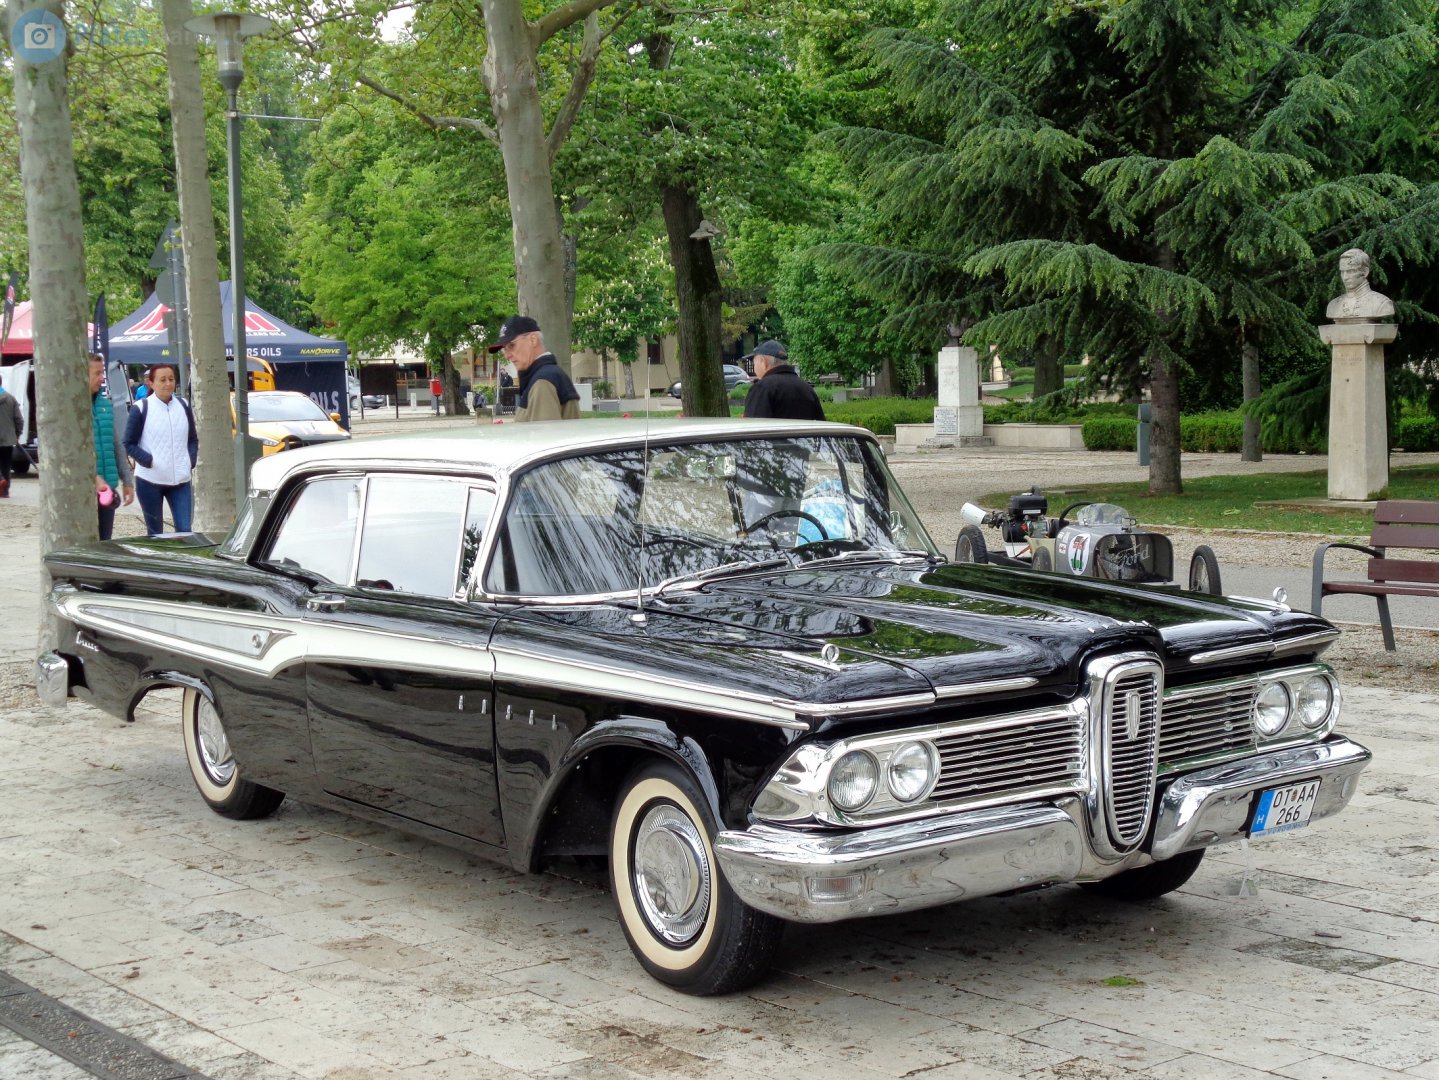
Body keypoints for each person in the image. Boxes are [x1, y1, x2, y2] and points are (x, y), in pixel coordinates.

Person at [123, 363, 198, 536]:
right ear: (151, 383)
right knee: (156, 533)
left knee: (185, 530)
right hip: (150, 480)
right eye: (162, 380)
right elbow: (128, 443)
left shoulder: (184, 405)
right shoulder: (141, 408)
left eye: (171, 379)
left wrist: (190, 460)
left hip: (180, 480)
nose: (167, 384)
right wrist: (147, 460)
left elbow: (192, 438)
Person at [487, 315, 580, 422]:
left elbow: (545, 436)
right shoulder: (546, 376)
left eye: (511, 346)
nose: (507, 355)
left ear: (533, 340)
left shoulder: (542, 382)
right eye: (504, 350)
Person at [89, 353, 135, 540]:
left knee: (104, 540)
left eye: (102, 374)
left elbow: (116, 445)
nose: (101, 379)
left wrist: (127, 481)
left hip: (106, 488)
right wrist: (93, 477)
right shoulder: (71, 408)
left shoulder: (105, 405)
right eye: (97, 373)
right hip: (82, 491)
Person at [741, 340, 824, 421]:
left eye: (755, 364)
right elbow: (821, 426)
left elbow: (753, 427)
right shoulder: (807, 389)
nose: (755, 369)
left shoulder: (762, 388)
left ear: (764, 362)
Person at [1326, 248, 1395, 322]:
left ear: (1365, 272)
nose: (1345, 277)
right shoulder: (1333, 306)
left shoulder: (1382, 303)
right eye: (1342, 272)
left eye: (1350, 271)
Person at [0, 376, 19, 498]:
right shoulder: (11, 398)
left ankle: (0, 479)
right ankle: (5, 492)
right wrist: (17, 434)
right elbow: (19, 419)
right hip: (8, 439)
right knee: (6, 465)